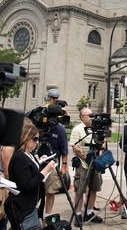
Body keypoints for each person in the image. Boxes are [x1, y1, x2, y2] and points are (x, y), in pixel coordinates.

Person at [7, 119, 56, 230]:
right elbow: (27, 185)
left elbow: (30, 171)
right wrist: (45, 171)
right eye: (35, 139)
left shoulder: (29, 154)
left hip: (30, 205)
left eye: (38, 139)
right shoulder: (19, 157)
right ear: (26, 138)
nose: (37, 142)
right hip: (22, 207)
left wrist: (39, 162)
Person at [69, 107, 104, 224]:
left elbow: (102, 144)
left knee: (94, 188)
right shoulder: (77, 129)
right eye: (88, 115)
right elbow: (74, 146)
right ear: (82, 117)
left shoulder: (96, 129)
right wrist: (84, 156)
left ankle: (89, 212)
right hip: (83, 164)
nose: (91, 117)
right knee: (80, 190)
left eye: (92, 115)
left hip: (96, 163)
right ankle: (78, 214)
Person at [42, 88, 69, 217]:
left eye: (56, 98)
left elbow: (64, 148)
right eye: (52, 97)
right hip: (37, 161)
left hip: (52, 163)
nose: (54, 99)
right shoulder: (41, 119)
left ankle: (47, 215)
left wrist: (64, 165)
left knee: (51, 190)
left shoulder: (60, 129)